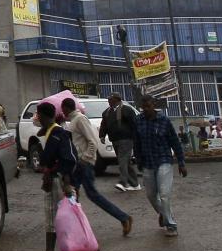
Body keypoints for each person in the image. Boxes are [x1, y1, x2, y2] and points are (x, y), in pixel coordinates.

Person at [28, 101, 106, 251]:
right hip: (54, 181)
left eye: (38, 114)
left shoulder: (58, 133)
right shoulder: (51, 132)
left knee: (75, 219)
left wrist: (66, 182)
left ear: (43, 116)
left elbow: (69, 159)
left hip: (60, 183)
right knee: (52, 219)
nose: (36, 117)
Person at [63, 97, 132, 238]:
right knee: (71, 193)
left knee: (92, 194)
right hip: (78, 163)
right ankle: (75, 226)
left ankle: (123, 217)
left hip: (84, 163)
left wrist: (86, 158)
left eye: (62, 109)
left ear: (66, 108)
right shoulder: (72, 121)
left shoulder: (80, 119)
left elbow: (92, 141)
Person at [133, 96, 187, 236]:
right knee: (151, 195)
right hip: (147, 163)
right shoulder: (139, 121)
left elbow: (174, 142)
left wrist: (181, 162)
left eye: (148, 106)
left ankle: (171, 225)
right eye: (143, 107)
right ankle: (163, 214)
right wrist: (138, 160)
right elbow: (136, 142)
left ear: (154, 105)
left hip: (164, 161)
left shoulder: (164, 121)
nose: (146, 109)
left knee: (164, 194)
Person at [100, 93, 141, 192]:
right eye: (109, 99)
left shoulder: (126, 110)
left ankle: (123, 182)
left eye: (111, 99)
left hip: (126, 139)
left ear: (117, 100)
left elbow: (134, 124)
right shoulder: (107, 112)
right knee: (125, 161)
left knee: (122, 160)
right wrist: (102, 135)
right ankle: (135, 184)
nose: (109, 101)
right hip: (115, 139)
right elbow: (104, 124)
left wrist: (136, 137)